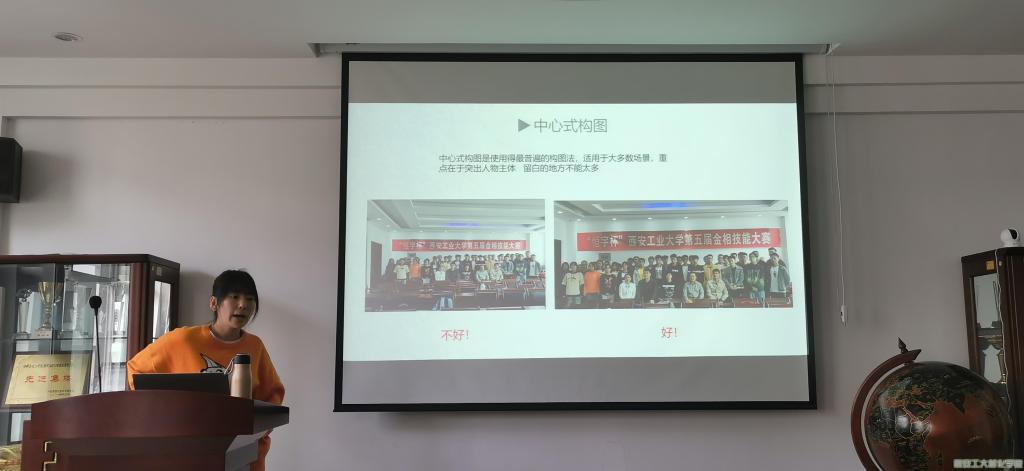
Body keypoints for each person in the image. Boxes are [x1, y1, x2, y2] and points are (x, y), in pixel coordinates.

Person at [127, 270, 284, 471]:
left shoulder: (255, 346)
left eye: (250, 299)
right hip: (191, 453)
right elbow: (136, 370)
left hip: (243, 455)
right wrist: (165, 416)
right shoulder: (183, 340)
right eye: (234, 296)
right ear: (214, 303)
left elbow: (272, 395)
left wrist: (258, 431)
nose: (243, 304)